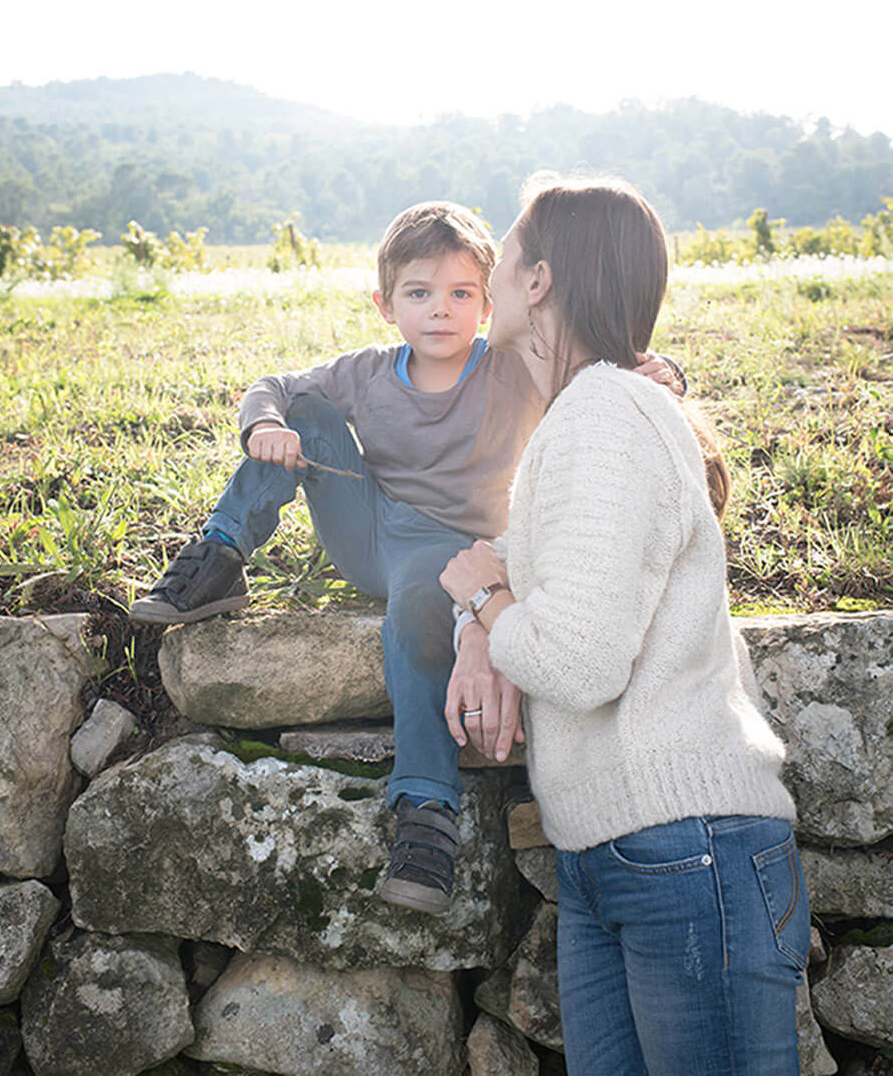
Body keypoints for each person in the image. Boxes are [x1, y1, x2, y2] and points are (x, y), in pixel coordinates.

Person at [131, 199, 682, 915]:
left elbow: (597, 364)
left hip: (448, 555)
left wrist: (661, 368)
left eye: (461, 294)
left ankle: (426, 810)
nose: (441, 311)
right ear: (386, 304)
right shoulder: (367, 372)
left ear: (489, 303)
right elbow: (274, 387)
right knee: (306, 415)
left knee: (417, 613)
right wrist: (266, 422)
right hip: (368, 533)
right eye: (419, 294)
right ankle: (219, 555)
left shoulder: (511, 369)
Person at [440, 175, 808, 1074]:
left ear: (539, 282)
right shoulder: (587, 415)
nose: (489, 268)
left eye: (511, 247)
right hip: (622, 855)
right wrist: (481, 620)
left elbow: (577, 656)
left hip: (683, 852)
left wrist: (487, 600)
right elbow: (557, 585)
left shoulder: (606, 411)